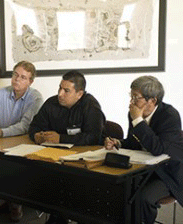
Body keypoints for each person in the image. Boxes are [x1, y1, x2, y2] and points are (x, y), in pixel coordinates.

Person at [29, 70, 106, 224]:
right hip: (56, 158)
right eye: (59, 88)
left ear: (79, 94)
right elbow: (34, 126)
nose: (60, 94)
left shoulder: (90, 106)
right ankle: (57, 216)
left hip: (84, 161)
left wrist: (61, 138)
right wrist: (36, 135)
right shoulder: (51, 103)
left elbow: (94, 137)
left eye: (66, 91)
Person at [104, 76, 183, 224]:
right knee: (116, 190)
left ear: (152, 101)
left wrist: (139, 121)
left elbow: (158, 149)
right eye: (131, 96)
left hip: (167, 172)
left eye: (136, 98)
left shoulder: (170, 115)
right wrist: (118, 143)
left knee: (143, 198)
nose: (131, 102)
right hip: (143, 169)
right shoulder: (134, 114)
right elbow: (134, 143)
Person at [0, 60, 43, 222]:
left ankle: (15, 204)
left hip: (23, 144)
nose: (17, 80)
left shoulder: (35, 98)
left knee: (14, 168)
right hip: (0, 141)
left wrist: (1, 132)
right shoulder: (0, 93)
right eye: (15, 75)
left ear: (30, 81)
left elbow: (25, 126)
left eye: (23, 77)